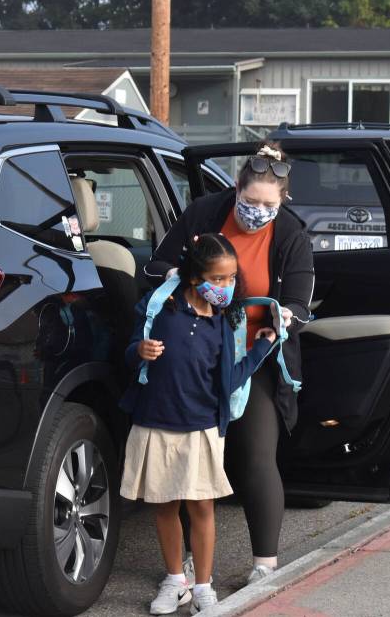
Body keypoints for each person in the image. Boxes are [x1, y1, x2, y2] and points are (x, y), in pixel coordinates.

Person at [144, 141, 315, 585]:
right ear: (236, 188)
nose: (257, 211)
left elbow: (299, 302)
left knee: (255, 454)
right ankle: (179, 570)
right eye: (250, 201)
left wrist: (281, 323)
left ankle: (265, 566)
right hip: (193, 351)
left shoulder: (291, 235)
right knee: (184, 456)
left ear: (283, 202)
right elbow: (160, 260)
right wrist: (179, 278)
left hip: (252, 356)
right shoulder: (205, 212)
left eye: (268, 205)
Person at [120, 233, 277, 614]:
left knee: (202, 508)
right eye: (218, 279)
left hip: (201, 426)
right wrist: (139, 352)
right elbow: (126, 351)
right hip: (155, 420)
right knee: (163, 505)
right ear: (194, 278)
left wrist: (261, 347)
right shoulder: (162, 305)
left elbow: (230, 378)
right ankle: (176, 580)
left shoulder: (225, 322)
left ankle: (203, 585)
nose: (225, 287)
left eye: (230, 279)